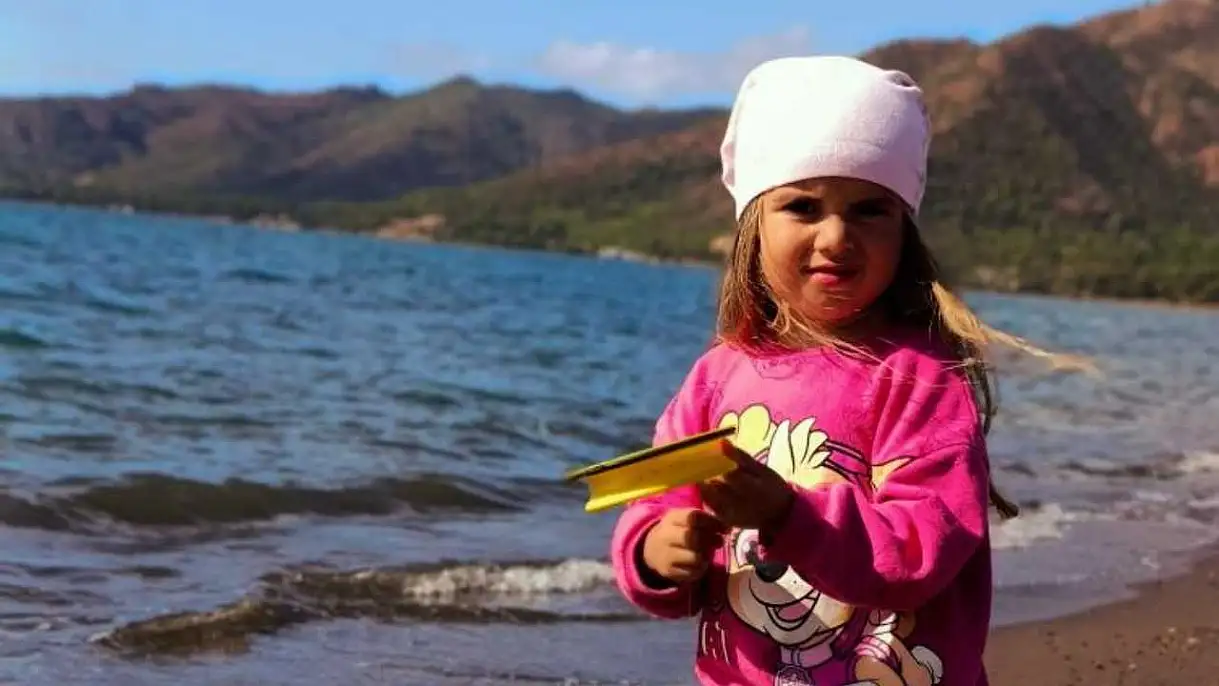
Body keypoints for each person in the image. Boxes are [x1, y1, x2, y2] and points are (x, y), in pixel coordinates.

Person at [608, 55, 1082, 686]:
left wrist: (788, 516)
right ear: (753, 229)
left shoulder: (919, 379)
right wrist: (653, 553)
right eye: (803, 207)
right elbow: (660, 503)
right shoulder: (715, 379)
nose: (835, 236)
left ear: (903, 230)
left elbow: (923, 548)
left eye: (869, 209)